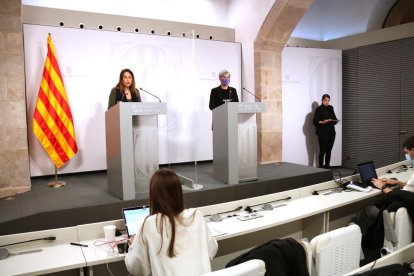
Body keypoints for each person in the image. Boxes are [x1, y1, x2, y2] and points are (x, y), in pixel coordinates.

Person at [124, 169, 218, 276]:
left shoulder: (149, 223)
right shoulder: (196, 215)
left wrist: (133, 247)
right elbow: (212, 251)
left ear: (153, 196)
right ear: (179, 191)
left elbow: (136, 269)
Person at [312, 94, 339, 168]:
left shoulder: (331, 108)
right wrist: (324, 122)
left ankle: (327, 165)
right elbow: (315, 121)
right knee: (322, 150)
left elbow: (333, 118)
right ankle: (321, 167)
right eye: (325, 100)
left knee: (329, 150)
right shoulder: (319, 109)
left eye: (328, 100)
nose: (327, 102)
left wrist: (335, 121)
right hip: (323, 133)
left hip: (331, 133)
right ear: (322, 100)